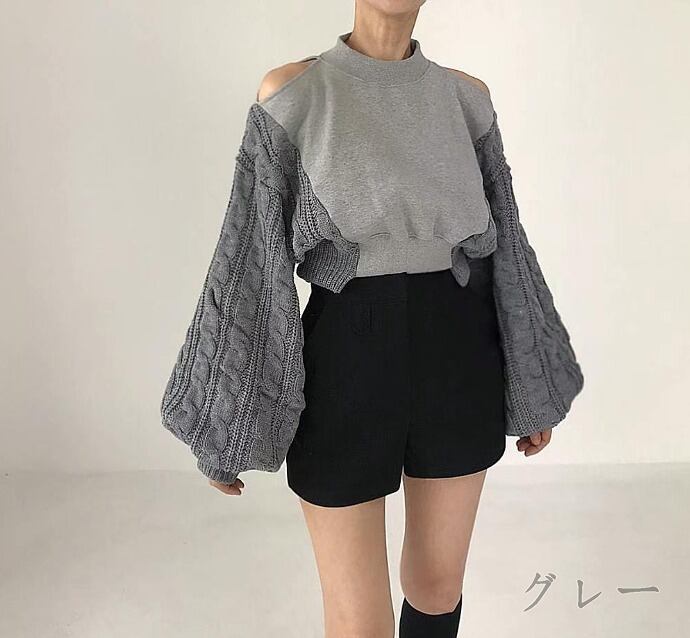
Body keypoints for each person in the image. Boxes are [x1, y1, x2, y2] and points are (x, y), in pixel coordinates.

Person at [159, 1, 584, 636]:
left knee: (437, 588)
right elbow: (251, 257)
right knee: (360, 624)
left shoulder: (467, 100)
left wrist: (533, 385)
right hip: (345, 363)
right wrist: (224, 427)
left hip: (459, 356)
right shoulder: (293, 95)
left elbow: (508, 250)